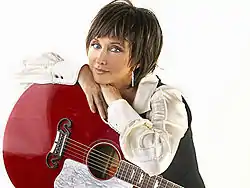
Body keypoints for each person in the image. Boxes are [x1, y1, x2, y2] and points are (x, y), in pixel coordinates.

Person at [15, 0, 205, 187]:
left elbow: (153, 160)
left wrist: (116, 103)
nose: (100, 59)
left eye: (115, 49)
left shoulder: (164, 100)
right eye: (96, 45)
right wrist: (80, 73)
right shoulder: (84, 84)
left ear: (139, 59)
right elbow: (21, 73)